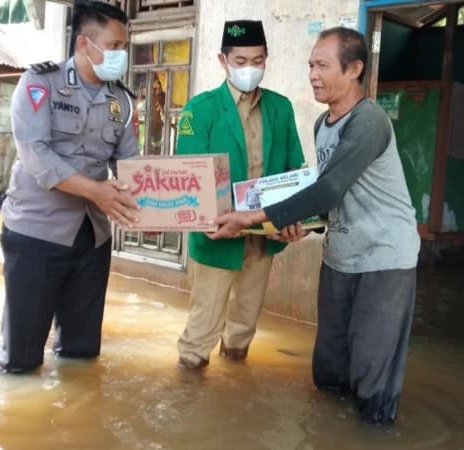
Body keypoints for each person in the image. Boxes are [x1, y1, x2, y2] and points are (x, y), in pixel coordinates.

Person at [210, 27, 421, 424]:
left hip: (384, 261)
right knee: (328, 369)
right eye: (310, 65)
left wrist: (251, 217)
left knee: (372, 375)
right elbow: (329, 203)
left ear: (355, 68)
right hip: (341, 257)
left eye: (322, 65)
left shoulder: (370, 120)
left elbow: (328, 189)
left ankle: (373, 435)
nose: (313, 74)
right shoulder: (324, 124)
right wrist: (300, 226)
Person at [0, 1, 140, 374]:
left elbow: (129, 166)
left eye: (124, 46)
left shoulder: (121, 101)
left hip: (92, 239)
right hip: (36, 233)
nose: (121, 55)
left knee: (81, 355)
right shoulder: (39, 84)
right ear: (83, 44)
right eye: (114, 46)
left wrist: (155, 208)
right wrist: (97, 192)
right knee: (21, 359)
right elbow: (37, 157)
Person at [175, 20, 307, 369]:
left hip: (264, 236)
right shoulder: (199, 110)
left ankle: (234, 386)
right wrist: (208, 218)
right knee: (201, 332)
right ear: (223, 60)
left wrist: (293, 218)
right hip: (217, 236)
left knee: (244, 328)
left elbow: (296, 170)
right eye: (241, 61)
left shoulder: (281, 108)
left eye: (258, 60)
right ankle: (189, 395)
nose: (251, 68)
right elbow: (188, 177)